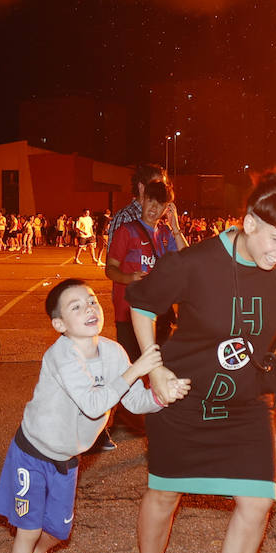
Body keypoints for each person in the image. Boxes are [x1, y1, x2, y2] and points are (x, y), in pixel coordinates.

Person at [126, 168, 276, 553]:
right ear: (249, 222)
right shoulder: (194, 263)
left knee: (258, 499)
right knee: (165, 495)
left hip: (247, 400)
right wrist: (154, 367)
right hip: (184, 396)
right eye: (275, 239)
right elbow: (142, 304)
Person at [0, 278, 188, 553]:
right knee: (27, 531)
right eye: (76, 306)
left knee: (57, 533)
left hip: (67, 460)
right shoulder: (60, 355)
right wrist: (139, 368)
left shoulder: (113, 352)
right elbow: (94, 403)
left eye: (92, 301)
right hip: (31, 454)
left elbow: (132, 402)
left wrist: (165, 394)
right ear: (59, 324)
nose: (89, 309)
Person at [98, 178, 187, 451]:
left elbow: (187, 258)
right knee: (126, 371)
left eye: (161, 204)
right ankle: (102, 428)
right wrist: (129, 277)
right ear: (142, 200)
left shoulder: (164, 234)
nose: (154, 208)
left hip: (160, 315)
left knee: (161, 370)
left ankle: (158, 432)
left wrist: (175, 226)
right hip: (129, 314)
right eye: (151, 201)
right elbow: (109, 268)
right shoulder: (127, 231)